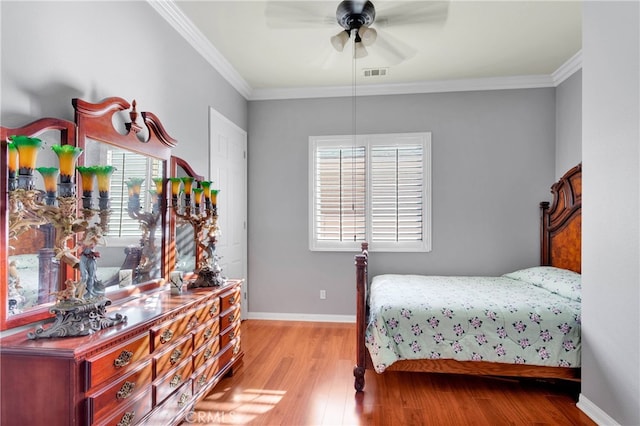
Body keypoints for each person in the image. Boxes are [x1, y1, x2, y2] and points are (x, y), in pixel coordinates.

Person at [79, 226, 105, 298]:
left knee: (91, 276)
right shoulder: (83, 241)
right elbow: (75, 248)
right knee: (85, 276)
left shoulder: (94, 241)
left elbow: (104, 244)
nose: (90, 235)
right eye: (89, 234)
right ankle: (82, 293)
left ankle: (89, 292)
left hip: (92, 259)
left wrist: (102, 237)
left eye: (92, 234)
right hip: (84, 258)